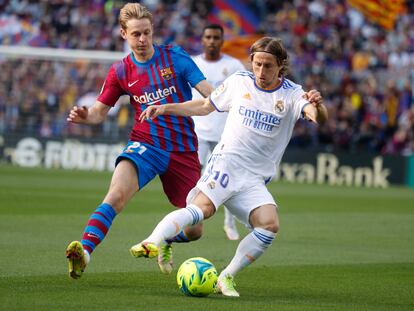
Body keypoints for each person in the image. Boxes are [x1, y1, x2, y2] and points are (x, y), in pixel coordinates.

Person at [131, 36, 328, 297]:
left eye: (268, 66)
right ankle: (152, 242)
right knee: (202, 212)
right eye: (257, 64)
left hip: (254, 179)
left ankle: (226, 277)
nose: (261, 71)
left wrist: (318, 105)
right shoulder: (239, 82)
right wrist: (165, 108)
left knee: (269, 225)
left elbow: (317, 117)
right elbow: (204, 105)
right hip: (226, 163)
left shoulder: (292, 93)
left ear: (281, 66)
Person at [65, 2, 213, 279]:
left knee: (196, 229)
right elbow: (99, 112)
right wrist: (85, 116)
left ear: (152, 30)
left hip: (183, 150)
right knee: (116, 195)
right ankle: (83, 253)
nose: (142, 39)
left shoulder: (176, 59)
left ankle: (166, 239)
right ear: (123, 34)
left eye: (146, 32)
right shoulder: (120, 71)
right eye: (136, 34)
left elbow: (210, 99)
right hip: (145, 144)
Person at [191, 24, 245, 241]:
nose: (212, 41)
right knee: (194, 178)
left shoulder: (233, 65)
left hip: (225, 134)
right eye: (208, 37)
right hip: (198, 132)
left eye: (216, 37)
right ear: (202, 40)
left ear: (222, 41)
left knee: (228, 179)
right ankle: (192, 220)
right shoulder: (194, 64)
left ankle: (229, 223)